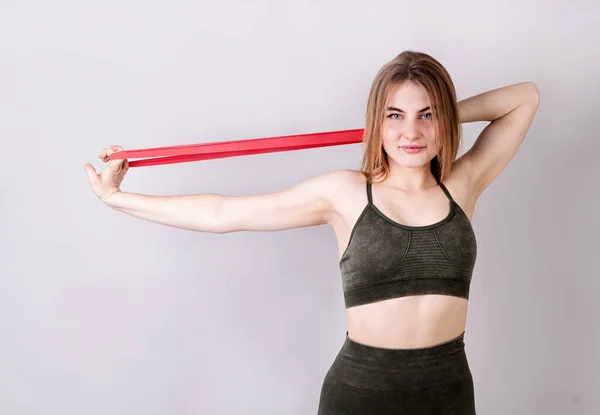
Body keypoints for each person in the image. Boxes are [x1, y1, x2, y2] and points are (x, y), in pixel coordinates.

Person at [84, 50, 540, 414]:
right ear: (376, 121)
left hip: (449, 395)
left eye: (426, 114)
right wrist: (117, 199)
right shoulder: (342, 193)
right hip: (360, 396)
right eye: (394, 115)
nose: (411, 132)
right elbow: (225, 213)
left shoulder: (462, 185)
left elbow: (525, 98)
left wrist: (445, 113)